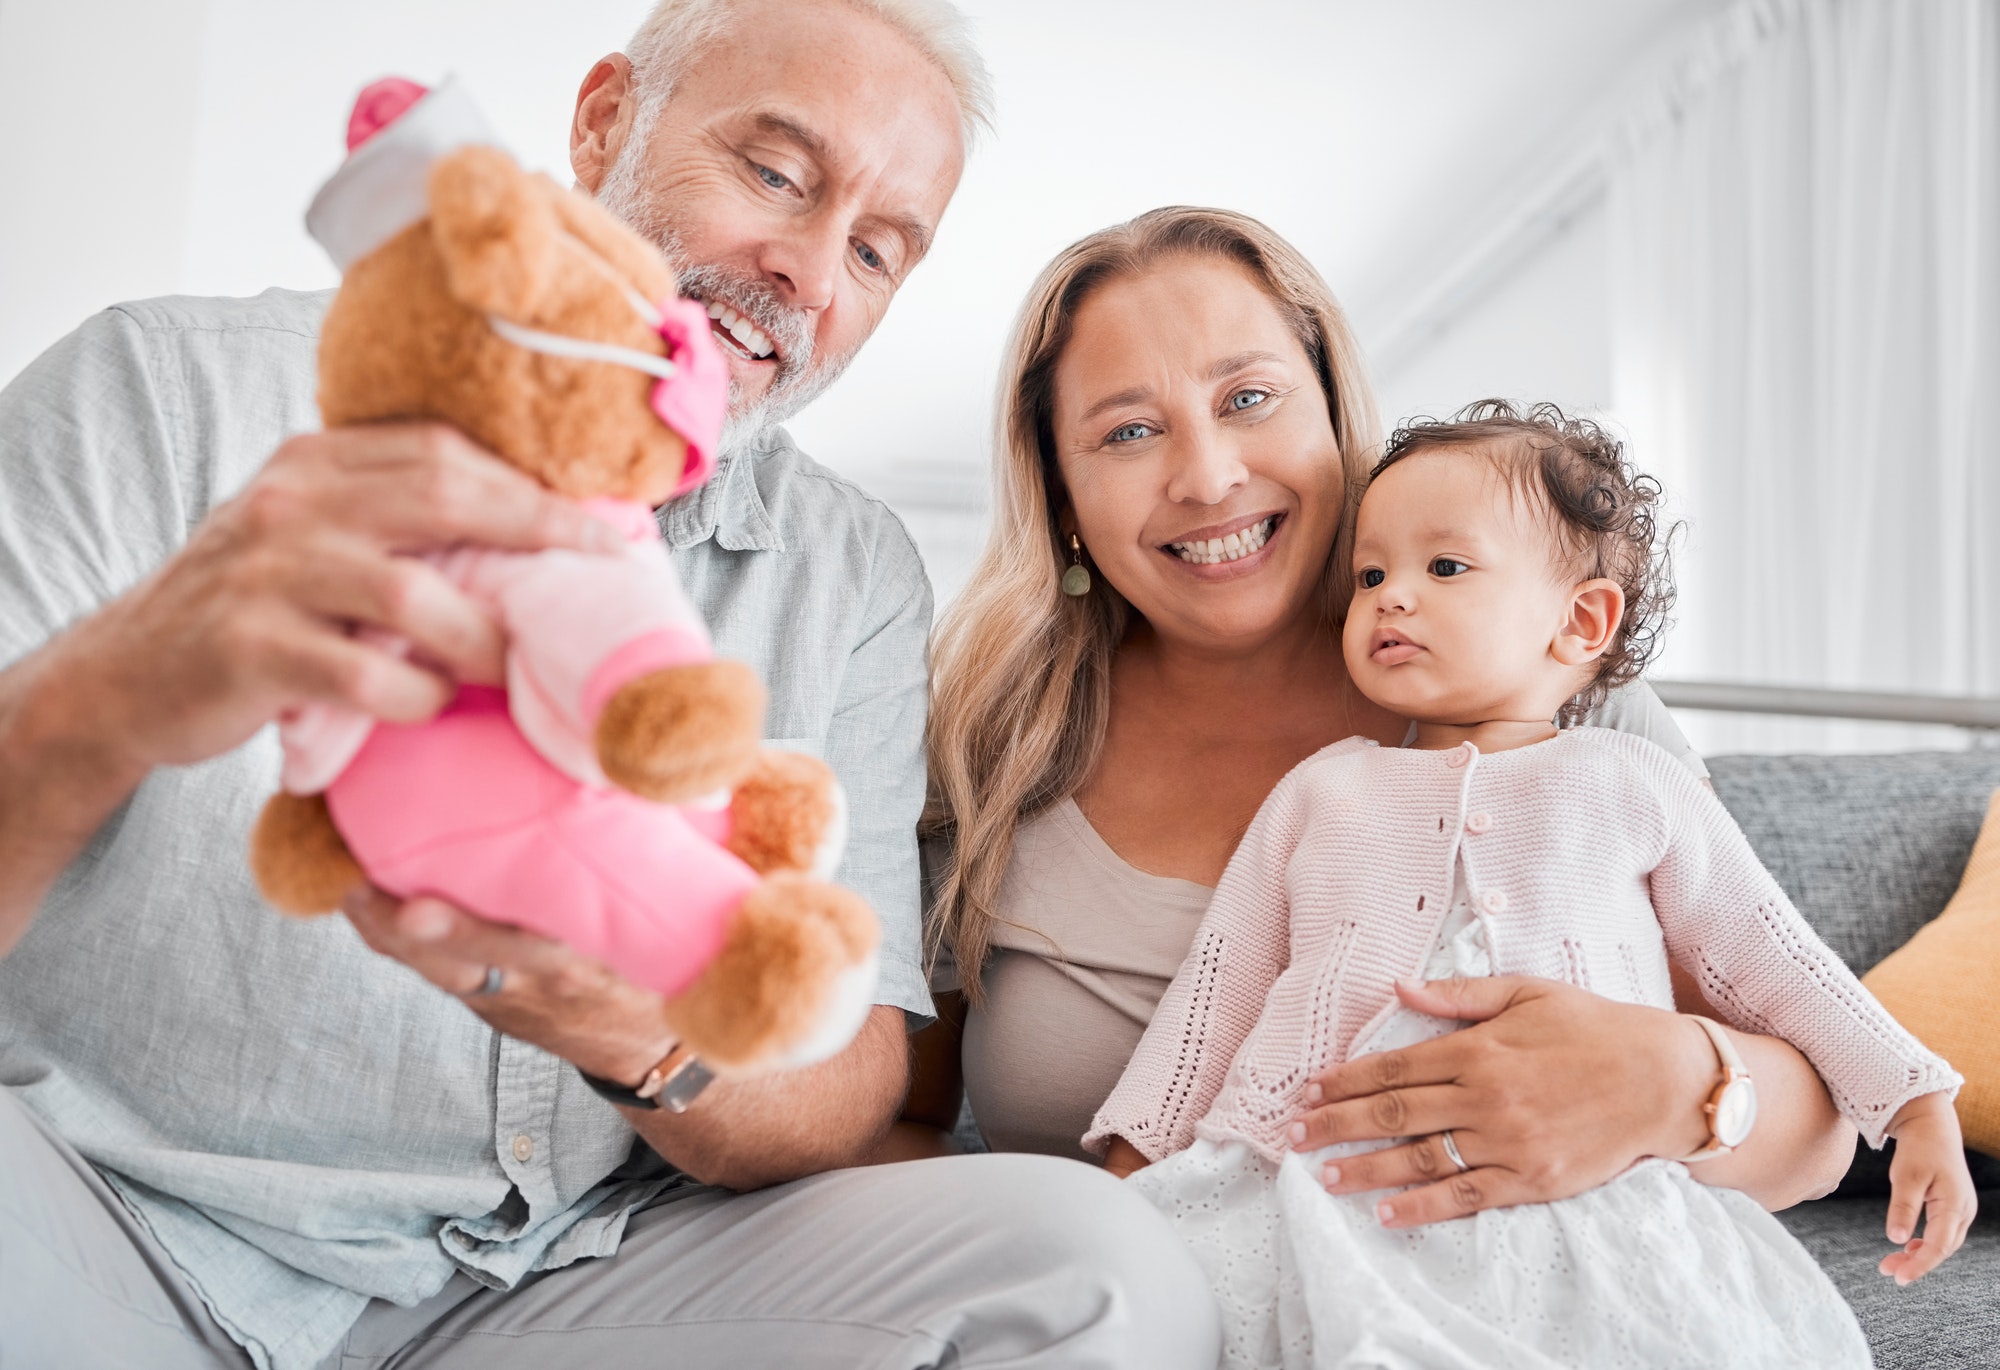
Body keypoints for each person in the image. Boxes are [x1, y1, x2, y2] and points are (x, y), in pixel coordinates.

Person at [0, 3, 1218, 1367]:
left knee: (1096, 1268)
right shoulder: (163, 387)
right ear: (602, 126)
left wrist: (630, 1030)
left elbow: (860, 1046)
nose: (807, 274)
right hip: (114, 1223)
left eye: (876, 249)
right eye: (775, 174)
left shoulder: (853, 569)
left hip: (554, 1285)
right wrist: (111, 692)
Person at [899, 208, 1859, 1241]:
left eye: (1249, 397)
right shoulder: (991, 743)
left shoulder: (1556, 698)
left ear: (1331, 410)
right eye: (1128, 430)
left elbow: (1821, 1136)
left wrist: (1677, 1080)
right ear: (1059, 492)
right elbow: (896, 1124)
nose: (1208, 475)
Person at [1085, 401, 1975, 1368]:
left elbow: (1776, 961)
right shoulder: (1321, 789)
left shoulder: (1633, 782)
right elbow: (1219, 990)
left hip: (1583, 1188)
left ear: (1581, 619)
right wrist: (1135, 1170)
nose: (1391, 597)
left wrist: (1919, 1106)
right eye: (1371, 574)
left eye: (1446, 568)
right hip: (1309, 1178)